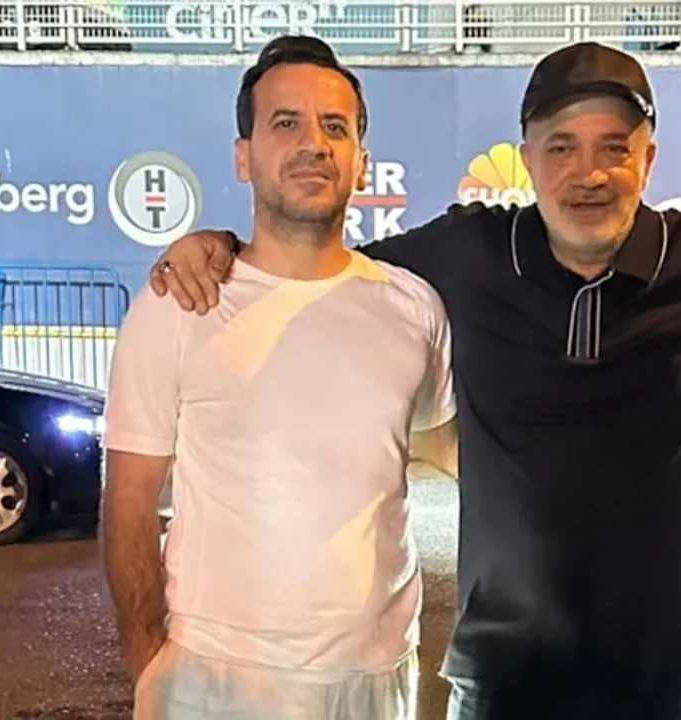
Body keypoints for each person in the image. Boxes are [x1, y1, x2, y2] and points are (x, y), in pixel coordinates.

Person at [145, 41, 681, 719]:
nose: (589, 173)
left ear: (648, 157)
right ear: (527, 156)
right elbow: (319, 260)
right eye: (562, 146)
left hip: (672, 675)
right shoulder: (465, 256)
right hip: (503, 673)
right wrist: (217, 245)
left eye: (615, 146)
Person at [100, 36, 457, 720]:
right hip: (215, 681)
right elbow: (129, 500)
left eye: (335, 127)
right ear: (245, 156)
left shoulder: (414, 307)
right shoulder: (181, 303)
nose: (313, 144)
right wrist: (148, 661)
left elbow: (445, 449)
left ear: (361, 160)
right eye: (285, 123)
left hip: (376, 680)